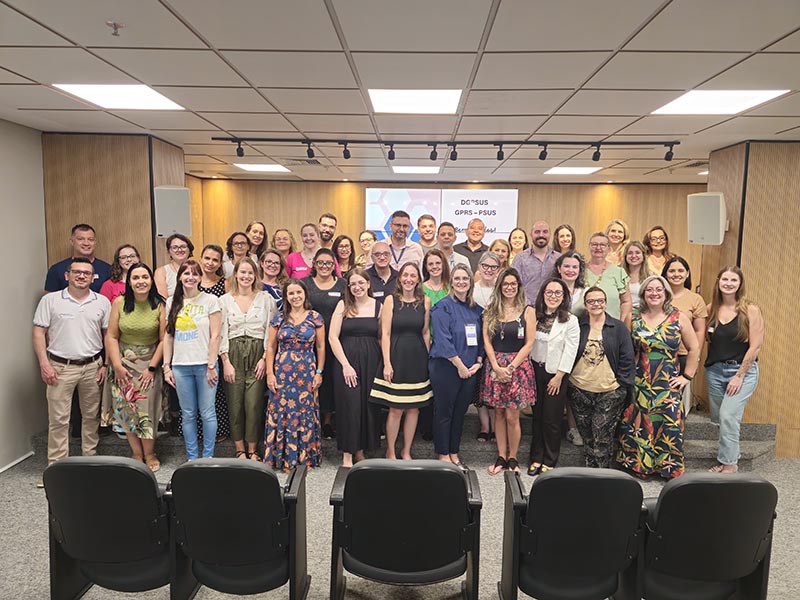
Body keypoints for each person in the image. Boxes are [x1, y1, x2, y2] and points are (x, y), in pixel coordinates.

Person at [617, 275, 700, 479]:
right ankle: (641, 466)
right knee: (640, 422)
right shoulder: (633, 317)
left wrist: (686, 377)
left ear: (666, 293)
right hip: (640, 381)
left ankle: (668, 467)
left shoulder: (679, 317)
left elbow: (694, 348)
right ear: (643, 293)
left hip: (667, 382)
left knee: (668, 423)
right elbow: (625, 350)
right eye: (650, 290)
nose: (654, 293)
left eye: (659, 289)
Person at [33, 257, 111, 470]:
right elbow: (39, 333)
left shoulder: (102, 302)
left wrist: (105, 365)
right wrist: (44, 364)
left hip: (93, 366)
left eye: (87, 273)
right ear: (67, 275)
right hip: (60, 367)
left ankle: (90, 461)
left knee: (91, 417)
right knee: (59, 420)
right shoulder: (51, 301)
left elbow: (108, 335)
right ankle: (57, 468)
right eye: (77, 272)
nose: (81, 276)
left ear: (92, 277)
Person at [105, 263, 165, 471]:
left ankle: (149, 453)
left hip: (149, 363)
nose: (141, 281)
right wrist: (117, 365)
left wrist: (152, 368)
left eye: (145, 277)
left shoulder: (159, 305)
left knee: (147, 409)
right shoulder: (119, 303)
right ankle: (136, 453)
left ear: (151, 280)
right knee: (126, 409)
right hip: (122, 364)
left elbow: (164, 340)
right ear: (129, 282)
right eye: (136, 277)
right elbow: (112, 336)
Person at [370, 263, 433, 460]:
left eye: (413, 275)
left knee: (414, 408)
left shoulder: (426, 301)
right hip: (396, 356)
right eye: (405, 275)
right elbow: (385, 334)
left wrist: (428, 361)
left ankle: (406, 450)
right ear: (400, 278)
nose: (408, 279)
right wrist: (387, 363)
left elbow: (425, 332)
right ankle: (390, 450)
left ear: (418, 279)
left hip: (417, 358)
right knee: (396, 408)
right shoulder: (391, 300)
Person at [567, 287, 635, 468]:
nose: (596, 304)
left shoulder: (618, 327)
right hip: (579, 389)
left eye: (600, 300)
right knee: (587, 436)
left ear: (605, 303)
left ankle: (603, 475)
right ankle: (590, 472)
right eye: (591, 301)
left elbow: (627, 357)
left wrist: (621, 384)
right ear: (585, 305)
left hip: (609, 391)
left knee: (602, 436)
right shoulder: (577, 325)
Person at [705, 267, 764, 474]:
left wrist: (739, 376)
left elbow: (755, 346)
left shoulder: (750, 310)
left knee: (728, 416)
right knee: (721, 419)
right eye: (725, 279)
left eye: (733, 280)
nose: (728, 283)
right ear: (718, 281)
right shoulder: (711, 309)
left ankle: (730, 464)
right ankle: (729, 456)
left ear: (740, 284)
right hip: (715, 372)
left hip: (742, 372)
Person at [163, 260, 222, 461]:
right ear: (180, 277)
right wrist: (166, 366)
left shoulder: (211, 300)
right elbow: (168, 336)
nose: (190, 277)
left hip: (205, 366)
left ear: (200, 278)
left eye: (195, 274)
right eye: (186, 273)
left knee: (207, 412)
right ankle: (192, 458)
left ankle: (207, 457)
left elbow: (215, 335)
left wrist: (212, 365)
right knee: (188, 414)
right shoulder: (172, 302)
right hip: (181, 367)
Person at [264, 279, 324, 471]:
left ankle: (304, 459)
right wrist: (270, 373)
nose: (295, 296)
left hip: (307, 372)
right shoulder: (279, 318)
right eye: (291, 293)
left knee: (305, 412)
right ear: (286, 297)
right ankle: (283, 459)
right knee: (282, 412)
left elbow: (321, 347)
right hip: (282, 373)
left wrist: (319, 372)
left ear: (305, 294)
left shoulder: (315, 317)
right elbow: (270, 347)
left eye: (299, 292)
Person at [219, 257, 276, 461]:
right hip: (233, 353)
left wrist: (264, 358)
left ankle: (252, 449)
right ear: (235, 274)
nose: (246, 276)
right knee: (235, 404)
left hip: (258, 353)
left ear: (255, 275)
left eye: (250, 273)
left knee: (253, 404)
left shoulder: (266, 299)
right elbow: (221, 333)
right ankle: (239, 449)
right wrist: (226, 362)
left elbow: (271, 331)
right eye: (242, 272)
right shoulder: (224, 300)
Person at [482, 268, 536, 475]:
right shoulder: (491, 310)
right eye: (505, 284)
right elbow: (487, 341)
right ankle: (501, 456)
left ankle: (513, 458)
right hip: (495, 365)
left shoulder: (527, 311)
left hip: (517, 367)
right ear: (499, 287)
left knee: (513, 416)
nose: (509, 287)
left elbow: (529, 343)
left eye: (513, 283)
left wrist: (511, 367)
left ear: (519, 286)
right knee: (498, 413)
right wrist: (496, 366)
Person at [429, 265, 484, 468]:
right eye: (457, 278)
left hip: (470, 370)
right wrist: (459, 365)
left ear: (471, 282)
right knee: (445, 411)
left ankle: (454, 452)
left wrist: (478, 362)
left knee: (460, 412)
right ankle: (443, 454)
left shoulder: (477, 310)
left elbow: (482, 340)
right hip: (446, 367)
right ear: (451, 282)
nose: (461, 282)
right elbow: (442, 339)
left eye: (465, 278)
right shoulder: (442, 307)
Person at [329, 268, 382, 467]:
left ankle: (360, 450)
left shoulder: (378, 306)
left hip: (371, 360)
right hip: (346, 360)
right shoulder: (343, 305)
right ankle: (347, 454)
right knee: (349, 405)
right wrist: (345, 365)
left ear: (368, 284)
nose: (357, 287)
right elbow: (332, 337)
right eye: (353, 284)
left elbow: (382, 337)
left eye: (361, 283)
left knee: (367, 405)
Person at [527, 278, 579, 476]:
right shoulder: (534, 315)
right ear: (543, 294)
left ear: (564, 296)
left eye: (558, 293)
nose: (553, 296)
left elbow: (570, 351)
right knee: (537, 416)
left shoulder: (570, 320)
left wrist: (559, 376)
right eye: (549, 292)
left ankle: (549, 459)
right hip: (534, 370)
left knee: (552, 419)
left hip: (555, 374)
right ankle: (536, 457)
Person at [303, 248, 346, 440]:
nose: (324, 266)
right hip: (309, 343)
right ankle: (311, 420)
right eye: (320, 262)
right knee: (312, 380)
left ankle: (328, 421)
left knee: (331, 381)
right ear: (314, 264)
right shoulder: (305, 284)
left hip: (337, 341)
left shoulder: (343, 284)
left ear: (334, 265)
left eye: (328, 263)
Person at [197, 244, 229, 443]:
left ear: (220, 263)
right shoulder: (192, 280)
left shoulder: (224, 284)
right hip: (195, 341)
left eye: (215, 260)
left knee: (214, 388)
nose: (210, 263)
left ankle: (218, 430)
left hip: (216, 339)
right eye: (207, 258)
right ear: (201, 258)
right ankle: (197, 432)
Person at [472, 251, 502, 443]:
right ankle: (484, 426)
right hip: (474, 342)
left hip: (497, 343)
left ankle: (495, 425)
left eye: (493, 267)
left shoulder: (501, 291)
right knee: (479, 386)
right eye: (486, 266)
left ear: (499, 270)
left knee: (493, 386)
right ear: (479, 268)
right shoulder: (472, 289)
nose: (489, 270)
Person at [663, 256, 707, 384]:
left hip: (683, 355)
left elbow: (699, 331)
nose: (676, 274)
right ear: (665, 274)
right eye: (672, 271)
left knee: (676, 392)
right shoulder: (658, 296)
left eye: (681, 271)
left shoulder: (696, 299)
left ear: (687, 274)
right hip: (659, 353)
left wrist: (696, 358)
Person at [44, 223, 111, 293]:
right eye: (81, 239)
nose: (86, 243)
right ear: (72, 242)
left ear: (95, 242)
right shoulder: (57, 270)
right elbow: (49, 298)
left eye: (90, 239)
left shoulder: (108, 270)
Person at [585, 232, 632, 326]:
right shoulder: (579, 270)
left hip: (612, 326)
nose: (598, 248)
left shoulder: (618, 272)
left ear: (608, 248)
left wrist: (620, 323)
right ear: (589, 247)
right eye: (594, 244)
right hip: (584, 326)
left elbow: (626, 301)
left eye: (602, 245)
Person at [513, 220, 560, 304]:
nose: (541, 235)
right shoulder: (520, 259)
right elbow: (514, 285)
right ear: (531, 235)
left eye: (545, 232)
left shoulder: (559, 259)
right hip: (525, 308)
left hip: (553, 307)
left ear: (550, 234)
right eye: (537, 232)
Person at [155, 233, 193, 299]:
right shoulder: (161, 272)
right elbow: (162, 300)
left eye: (183, 246)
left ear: (189, 249)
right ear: (169, 252)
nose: (179, 250)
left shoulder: (197, 269)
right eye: (175, 247)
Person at [553, 250, 587, 317]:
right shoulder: (550, 291)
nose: (570, 270)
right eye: (566, 266)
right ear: (559, 269)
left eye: (574, 267)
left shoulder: (586, 292)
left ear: (580, 270)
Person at [622, 241, 650, 311]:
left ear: (643, 256)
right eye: (630, 253)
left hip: (642, 312)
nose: (634, 256)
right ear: (625, 256)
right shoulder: (618, 274)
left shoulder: (650, 277)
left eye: (637, 253)